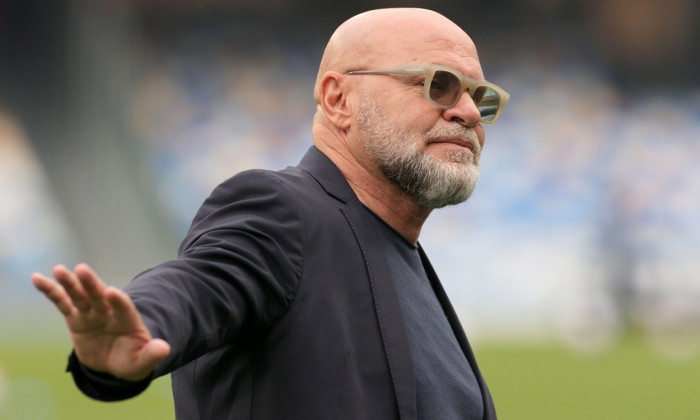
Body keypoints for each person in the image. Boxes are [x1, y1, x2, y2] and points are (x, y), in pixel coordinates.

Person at [32, 7, 509, 420]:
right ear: (339, 99)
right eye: (438, 85)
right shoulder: (282, 210)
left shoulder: (403, 251)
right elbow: (203, 281)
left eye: (480, 97)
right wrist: (144, 321)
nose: (468, 111)